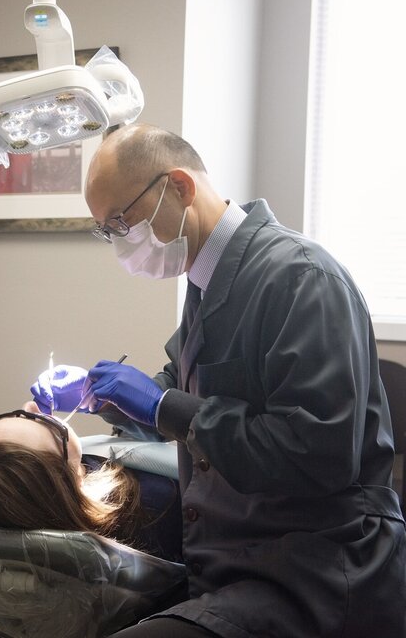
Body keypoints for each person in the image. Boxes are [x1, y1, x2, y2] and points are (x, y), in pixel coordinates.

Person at [32, 123, 406, 637]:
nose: (120, 241)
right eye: (107, 230)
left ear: (180, 187)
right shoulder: (207, 279)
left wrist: (163, 406)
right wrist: (104, 398)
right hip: (238, 562)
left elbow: (317, 454)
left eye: (122, 221)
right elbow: (186, 389)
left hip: (318, 571)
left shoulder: (301, 278)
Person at [0, 402, 183, 564]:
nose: (32, 406)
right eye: (43, 422)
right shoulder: (155, 503)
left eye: (18, 414)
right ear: (73, 478)